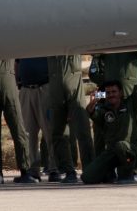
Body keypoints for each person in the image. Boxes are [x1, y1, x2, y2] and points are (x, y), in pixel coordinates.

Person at [81, 51, 137, 184]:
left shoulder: (131, 103)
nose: (111, 95)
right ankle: (109, 173)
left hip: (128, 150)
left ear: (121, 93)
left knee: (121, 146)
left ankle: (128, 173)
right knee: (87, 177)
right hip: (113, 152)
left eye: (114, 92)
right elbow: (90, 112)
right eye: (108, 93)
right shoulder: (104, 110)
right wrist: (94, 101)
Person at [47, 55, 95, 183]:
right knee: (57, 133)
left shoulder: (73, 45)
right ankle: (68, 171)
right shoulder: (48, 46)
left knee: (83, 131)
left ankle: (90, 170)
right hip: (55, 88)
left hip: (74, 87)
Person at [17, 57, 56, 180]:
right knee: (28, 134)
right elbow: (17, 62)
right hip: (25, 89)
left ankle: (54, 169)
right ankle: (32, 170)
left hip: (45, 88)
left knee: (50, 132)